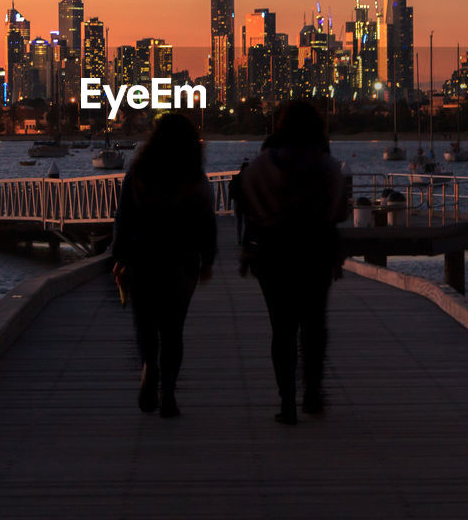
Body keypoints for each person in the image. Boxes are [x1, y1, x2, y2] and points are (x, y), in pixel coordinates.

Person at [236, 101, 348, 425]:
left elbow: (249, 207)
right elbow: (339, 213)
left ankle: (286, 402)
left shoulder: (260, 166)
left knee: (281, 328)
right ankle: (312, 391)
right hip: (315, 251)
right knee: (313, 325)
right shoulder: (327, 167)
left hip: (273, 254)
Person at [111, 112, 216, 418]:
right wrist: (208, 258)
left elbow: (124, 216)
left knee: (144, 323)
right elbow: (206, 221)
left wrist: (119, 256)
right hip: (182, 261)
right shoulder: (195, 177)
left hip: (143, 258)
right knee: (173, 329)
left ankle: (148, 366)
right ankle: (168, 394)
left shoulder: (139, 171)